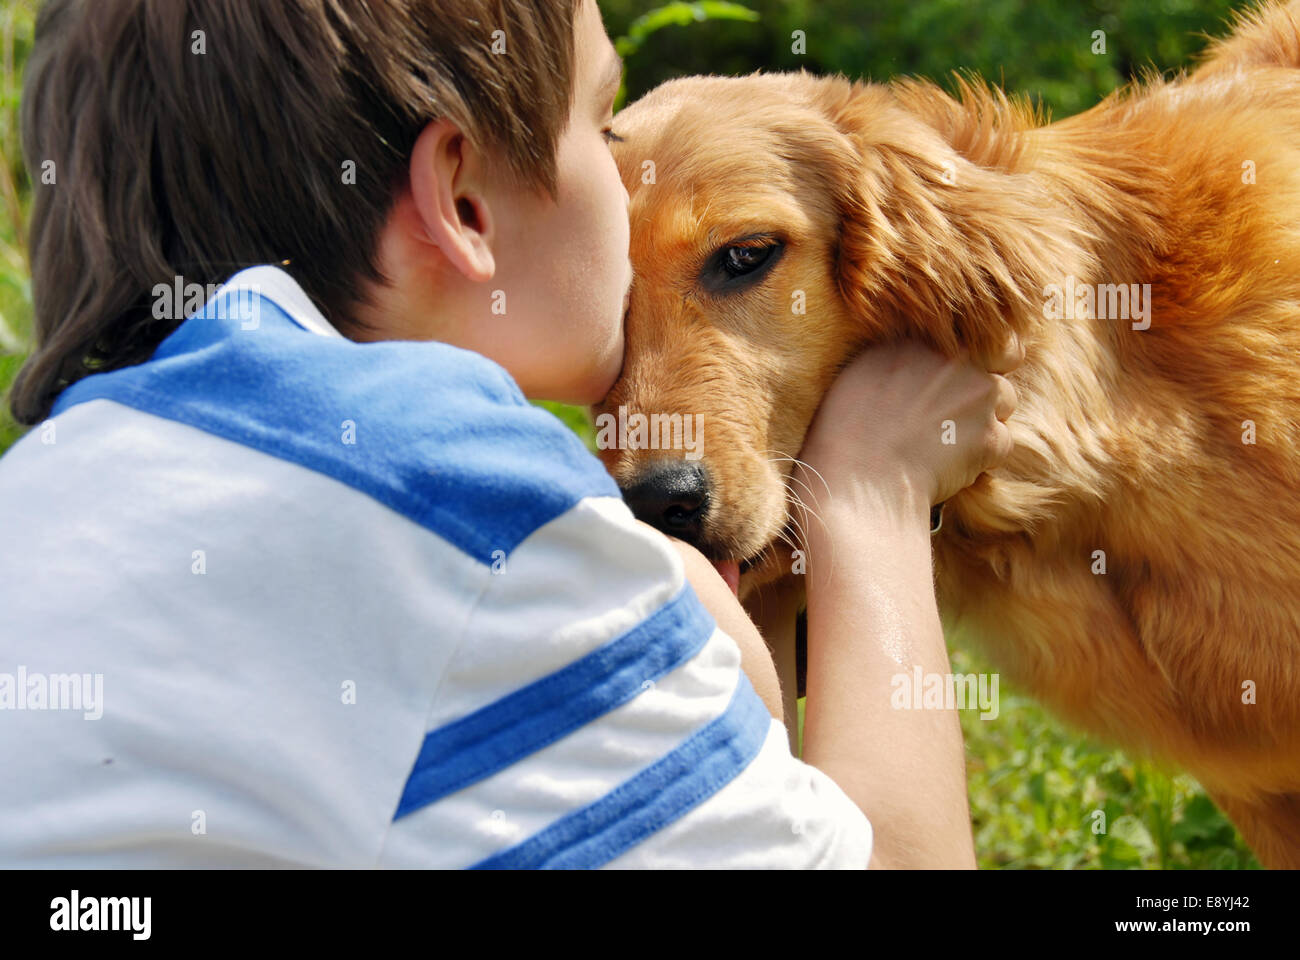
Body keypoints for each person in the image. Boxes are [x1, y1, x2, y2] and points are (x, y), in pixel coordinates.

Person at [0, 0, 1016, 868]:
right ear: (463, 201)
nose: (627, 180)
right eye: (600, 120)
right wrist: (870, 495)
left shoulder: (47, 484)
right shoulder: (463, 499)